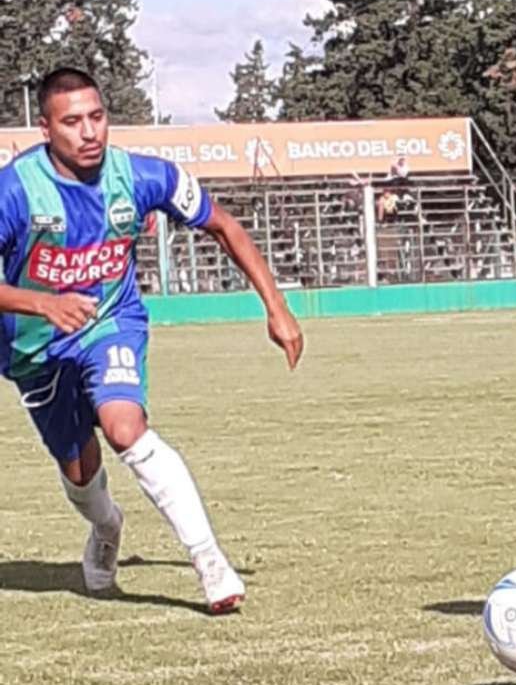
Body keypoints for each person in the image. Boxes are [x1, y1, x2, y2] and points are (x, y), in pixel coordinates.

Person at [0, 67, 304, 613]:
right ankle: (107, 526)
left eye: (97, 116)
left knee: (125, 427)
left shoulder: (142, 176)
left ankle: (210, 563)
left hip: (110, 323)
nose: (89, 132)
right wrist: (43, 303)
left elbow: (224, 225)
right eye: (72, 122)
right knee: (79, 473)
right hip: (34, 349)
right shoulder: (15, 189)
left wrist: (277, 307)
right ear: (45, 128)